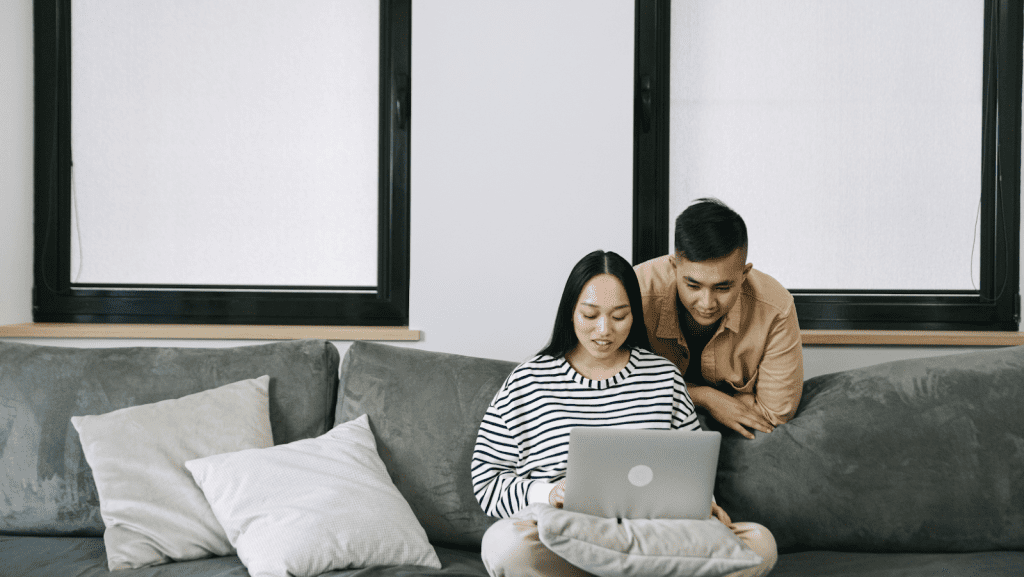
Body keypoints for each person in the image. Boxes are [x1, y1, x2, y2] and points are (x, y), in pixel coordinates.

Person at [472, 250, 777, 577]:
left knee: (760, 543)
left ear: (634, 315)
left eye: (619, 316)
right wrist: (548, 493)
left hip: (652, 533)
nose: (604, 330)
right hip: (564, 533)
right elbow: (487, 481)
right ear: (570, 312)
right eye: (590, 315)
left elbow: (691, 469)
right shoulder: (528, 381)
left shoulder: (663, 377)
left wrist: (707, 502)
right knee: (504, 544)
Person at [634, 198, 803, 440]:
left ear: (744, 274)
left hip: (738, 443)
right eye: (693, 285)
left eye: (722, 288)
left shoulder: (776, 307)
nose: (706, 303)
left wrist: (667, 393)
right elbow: (614, 389)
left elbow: (774, 415)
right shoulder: (635, 292)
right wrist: (707, 398)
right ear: (674, 266)